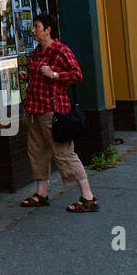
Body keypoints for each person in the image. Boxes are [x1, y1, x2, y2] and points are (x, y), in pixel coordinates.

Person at [23, 13, 98, 212]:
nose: (33, 30)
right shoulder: (37, 52)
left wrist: (54, 74)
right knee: (37, 152)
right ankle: (42, 193)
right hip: (34, 109)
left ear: (48, 30)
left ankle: (87, 196)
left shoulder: (61, 50)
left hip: (53, 111)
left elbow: (77, 74)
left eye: (37, 27)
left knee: (64, 153)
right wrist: (28, 76)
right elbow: (37, 75)